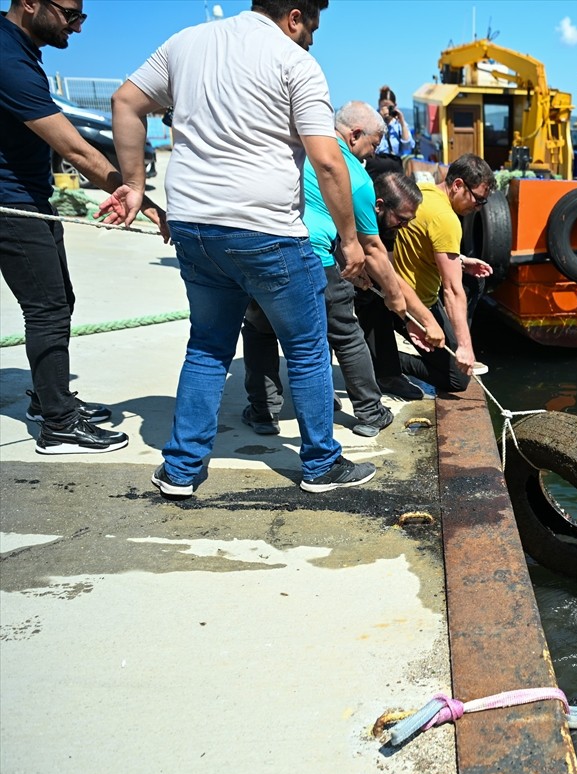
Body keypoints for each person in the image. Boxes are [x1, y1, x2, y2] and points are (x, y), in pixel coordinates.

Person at [102, 0, 376, 497]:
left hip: (193, 227)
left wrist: (136, 185)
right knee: (308, 349)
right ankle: (321, 464)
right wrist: (350, 241)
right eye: (311, 27)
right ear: (295, 16)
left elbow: (125, 102)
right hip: (266, 231)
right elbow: (329, 162)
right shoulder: (296, 63)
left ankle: (182, 470)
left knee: (208, 346)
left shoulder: (185, 42)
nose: (311, 39)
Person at [1, 0, 166, 455]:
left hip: (32, 197)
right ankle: (58, 426)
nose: (77, 26)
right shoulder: (7, 57)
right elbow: (77, 151)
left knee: (60, 301)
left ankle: (47, 398)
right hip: (11, 206)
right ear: (31, 3)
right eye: (70, 14)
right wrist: (143, 199)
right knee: (48, 309)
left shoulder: (19, 48)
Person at [240, 101, 437, 439]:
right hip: (313, 253)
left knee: (259, 329)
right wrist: (397, 301)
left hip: (263, 247)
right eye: (373, 144)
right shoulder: (357, 178)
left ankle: (263, 411)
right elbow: (373, 248)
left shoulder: (295, 145)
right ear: (355, 134)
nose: (373, 154)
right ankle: (370, 412)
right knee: (345, 332)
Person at [369, 153, 495, 398]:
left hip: (395, 293)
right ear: (458, 185)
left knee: (471, 282)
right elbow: (452, 290)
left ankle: (383, 356)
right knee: (457, 379)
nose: (478, 207)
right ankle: (388, 361)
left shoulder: (421, 193)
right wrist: (466, 348)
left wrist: (460, 260)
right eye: (478, 199)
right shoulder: (447, 219)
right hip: (416, 304)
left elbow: (418, 242)